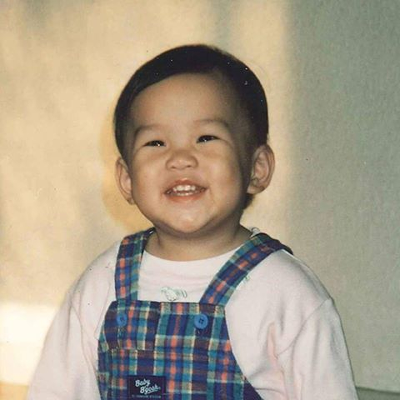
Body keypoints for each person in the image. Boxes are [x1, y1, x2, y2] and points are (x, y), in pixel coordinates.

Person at [28, 45, 359, 399]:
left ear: (257, 168)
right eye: (156, 142)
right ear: (126, 179)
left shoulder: (286, 292)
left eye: (205, 138)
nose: (181, 158)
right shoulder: (102, 283)